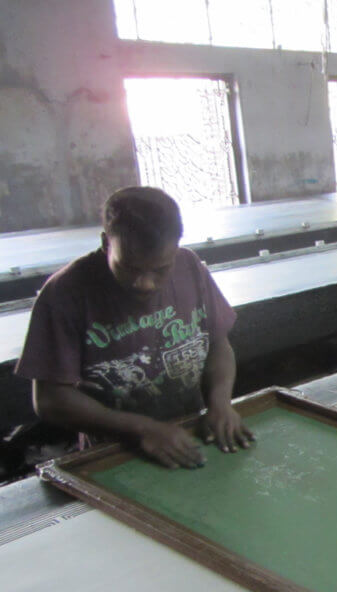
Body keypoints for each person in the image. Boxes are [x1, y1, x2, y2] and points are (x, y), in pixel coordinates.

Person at [16, 186, 253, 469]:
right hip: (114, 452)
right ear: (106, 243)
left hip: (189, 437)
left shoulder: (189, 267)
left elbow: (217, 344)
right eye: (129, 268)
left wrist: (220, 403)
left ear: (176, 249)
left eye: (160, 269)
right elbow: (50, 399)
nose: (146, 283)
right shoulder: (65, 294)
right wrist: (140, 428)